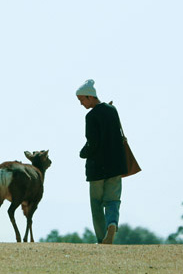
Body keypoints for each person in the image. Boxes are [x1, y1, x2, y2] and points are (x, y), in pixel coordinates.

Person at [77, 79, 127, 244]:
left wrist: (82, 153)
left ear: (90, 97)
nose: (81, 104)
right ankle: (112, 223)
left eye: (82, 100)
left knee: (97, 204)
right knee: (113, 200)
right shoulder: (113, 110)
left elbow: (93, 143)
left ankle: (101, 238)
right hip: (116, 166)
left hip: (97, 168)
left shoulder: (90, 116)